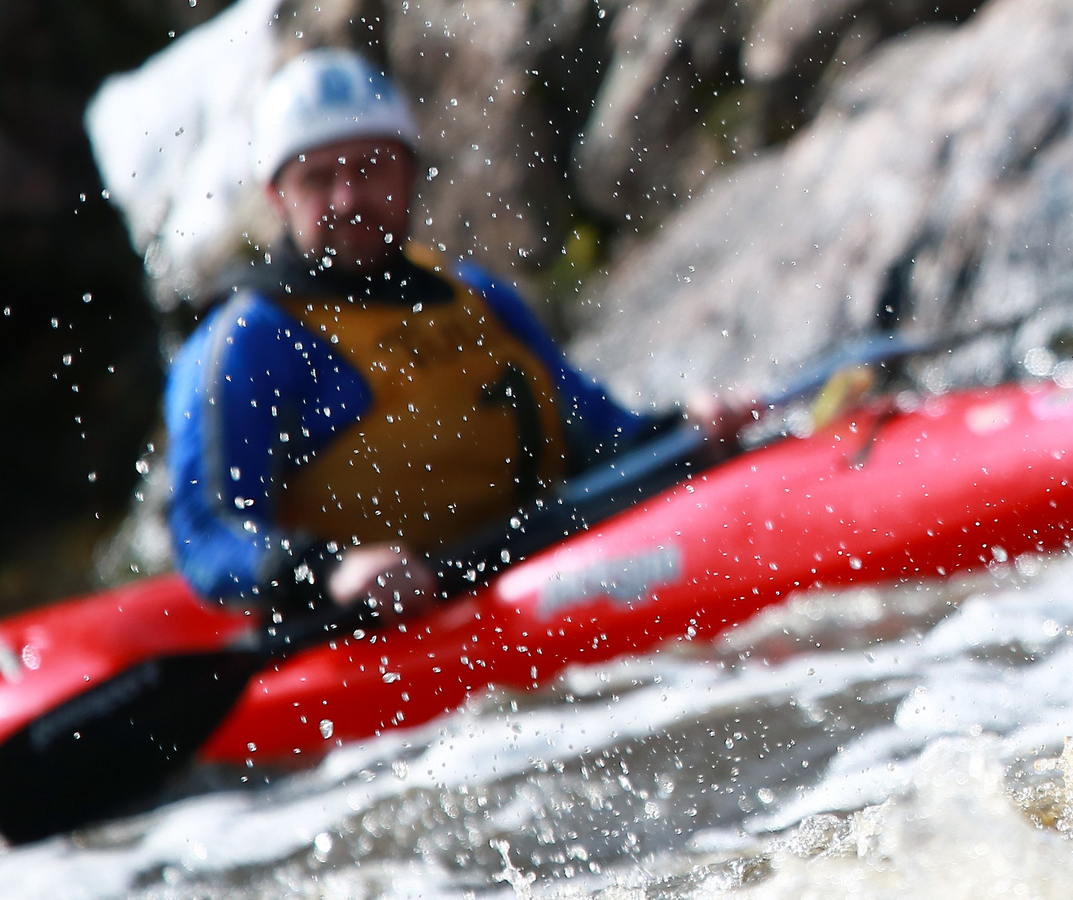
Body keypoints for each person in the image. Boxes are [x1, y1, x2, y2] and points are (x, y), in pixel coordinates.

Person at [162, 50, 756, 616]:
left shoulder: (478, 298)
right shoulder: (250, 343)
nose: (348, 198)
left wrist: (688, 431)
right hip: (383, 628)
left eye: (370, 169)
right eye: (318, 179)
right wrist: (329, 570)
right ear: (276, 197)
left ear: (409, 172)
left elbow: (601, 435)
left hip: (548, 570)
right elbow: (208, 537)